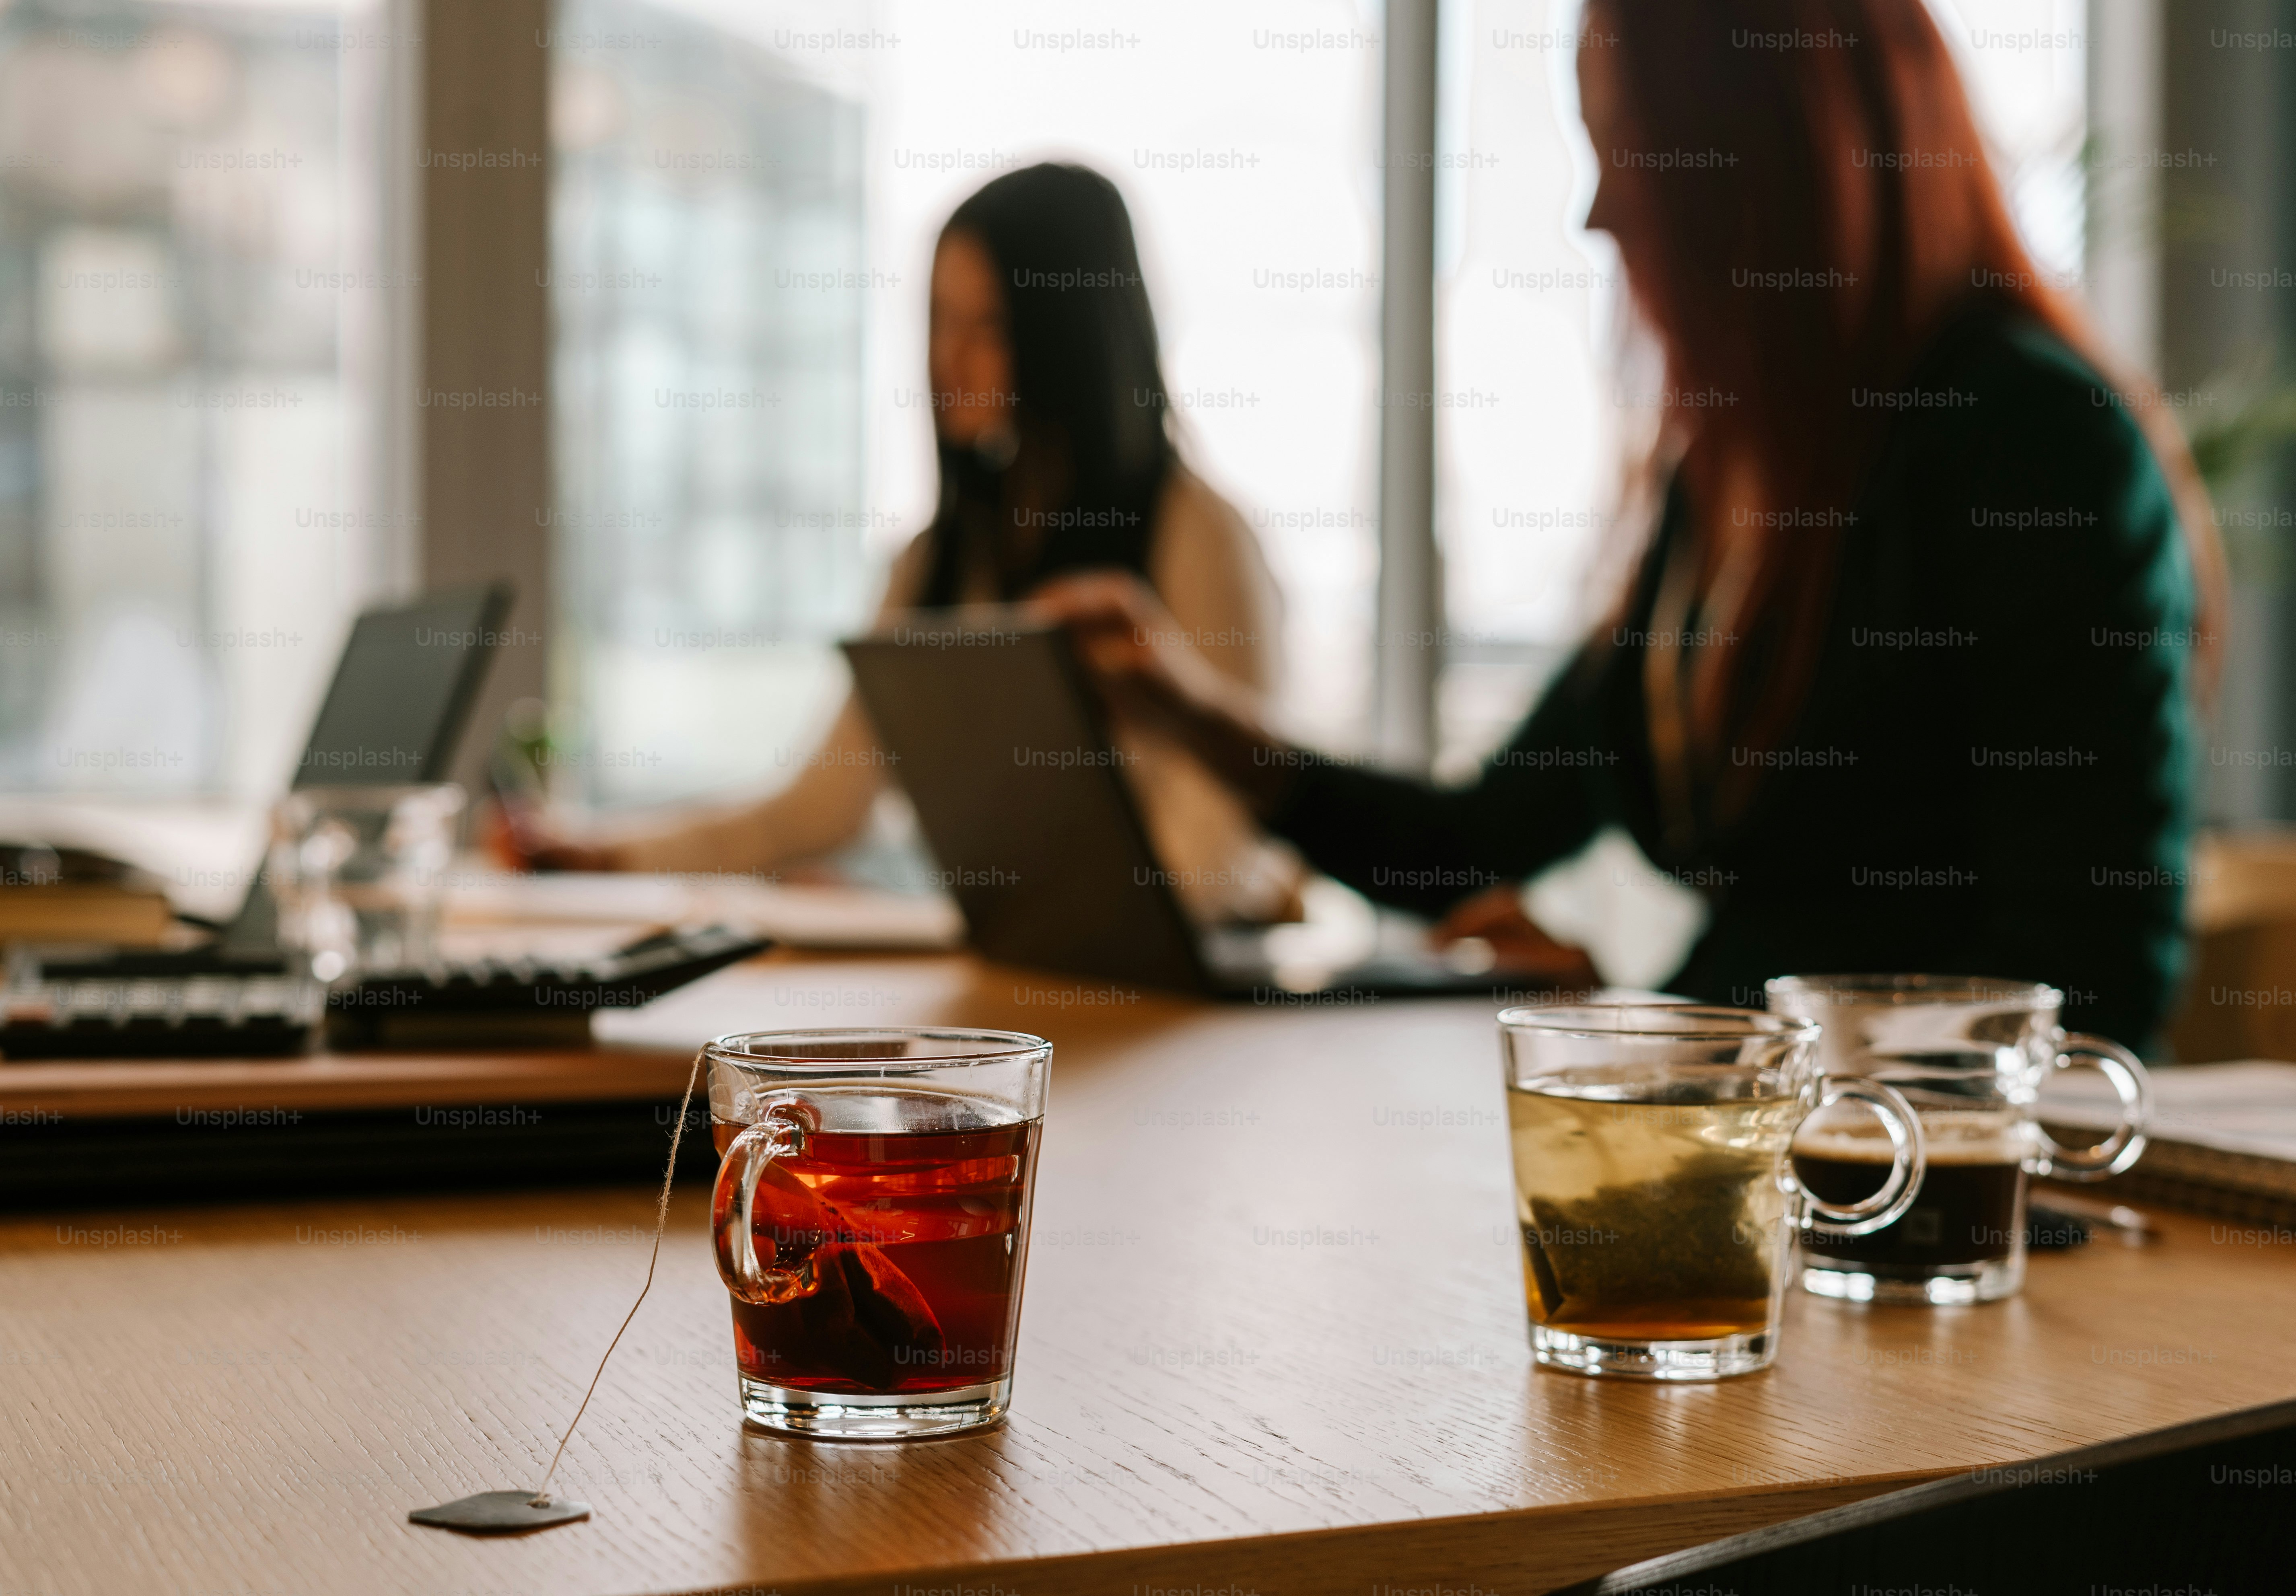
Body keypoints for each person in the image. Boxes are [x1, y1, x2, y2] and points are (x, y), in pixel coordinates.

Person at [1032, 0, 2224, 1047]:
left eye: (1631, 150)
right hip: (1785, 1191)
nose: (1599, 213)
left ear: (1768, 161)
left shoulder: (2031, 439)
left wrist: (1670, 1047)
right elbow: (1472, 840)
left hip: (1938, 1241)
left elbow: (2088, 992)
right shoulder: (1724, 484)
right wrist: (1179, 703)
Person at [511, 163, 1297, 924]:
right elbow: (823, 803)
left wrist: (974, 922)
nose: (946, 361)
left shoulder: (1197, 536)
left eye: (985, 326)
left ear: (1068, 331)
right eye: (939, 321)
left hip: (1168, 1002)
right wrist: (608, 855)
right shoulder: (938, 558)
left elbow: (1211, 851)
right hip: (1026, 976)